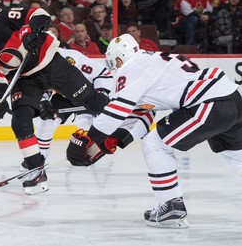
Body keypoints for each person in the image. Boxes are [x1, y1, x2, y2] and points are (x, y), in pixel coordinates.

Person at [66, 33, 242, 228]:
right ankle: (170, 204)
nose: (113, 69)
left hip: (207, 104)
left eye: (111, 63)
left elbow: (117, 109)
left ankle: (171, 204)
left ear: (118, 58)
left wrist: (91, 138)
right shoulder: (151, 61)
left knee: (155, 144)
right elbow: (144, 114)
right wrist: (114, 141)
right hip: (231, 98)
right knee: (237, 160)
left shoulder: (132, 67)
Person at [0, 0, 109, 195]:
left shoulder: (3, 18)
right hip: (24, 79)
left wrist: (33, 31)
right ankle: (36, 170)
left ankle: (130, 117)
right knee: (20, 119)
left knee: (93, 102)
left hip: (50, 63)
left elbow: (39, 14)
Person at [32, 47, 115, 161]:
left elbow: (103, 73)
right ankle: (37, 160)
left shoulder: (71, 59)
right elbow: (42, 86)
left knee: (87, 128)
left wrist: (101, 93)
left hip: (87, 93)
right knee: (46, 122)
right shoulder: (38, 62)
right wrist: (44, 101)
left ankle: (93, 152)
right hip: (64, 95)